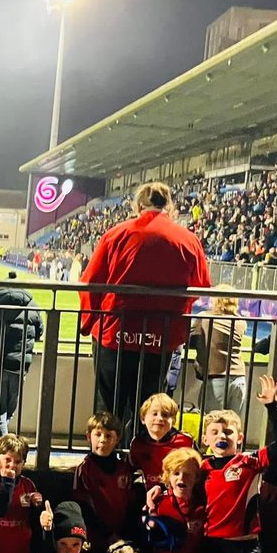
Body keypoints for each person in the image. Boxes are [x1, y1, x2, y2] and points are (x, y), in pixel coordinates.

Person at [79, 181, 211, 434]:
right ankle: (143, 461)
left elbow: (90, 283)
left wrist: (90, 323)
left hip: (115, 332)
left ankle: (106, 462)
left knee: (109, 406)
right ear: (170, 206)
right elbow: (201, 285)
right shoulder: (188, 240)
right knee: (150, 406)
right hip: (160, 337)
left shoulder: (117, 234)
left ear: (139, 205)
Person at [199, 375, 277, 553]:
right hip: (211, 544)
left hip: (244, 545)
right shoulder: (201, 468)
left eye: (228, 432)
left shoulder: (249, 463)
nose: (221, 436)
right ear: (205, 439)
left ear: (239, 437)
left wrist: (272, 408)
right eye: (215, 432)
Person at [0, 272, 43, 440]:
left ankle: (2, 448)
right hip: (20, 366)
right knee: (7, 411)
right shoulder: (32, 305)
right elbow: (39, 332)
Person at [71, 411, 137, 552]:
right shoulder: (85, 469)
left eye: (109, 436)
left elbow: (131, 504)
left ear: (117, 439)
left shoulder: (124, 470)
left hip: (122, 537)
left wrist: (124, 534)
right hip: (96, 539)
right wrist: (108, 534)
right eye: (98, 434)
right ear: (88, 437)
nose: (103, 440)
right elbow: (83, 506)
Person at [143, 447, 206, 553]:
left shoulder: (202, 507)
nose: (181, 478)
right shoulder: (157, 503)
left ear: (197, 477)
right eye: (176, 473)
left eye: (188, 474)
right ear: (167, 476)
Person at [190, 291, 248, 415]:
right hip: (239, 377)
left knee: (211, 422)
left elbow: (191, 340)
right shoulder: (241, 321)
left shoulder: (205, 317)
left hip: (216, 378)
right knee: (232, 424)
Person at [128, 393, 195, 489]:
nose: (159, 418)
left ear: (174, 421)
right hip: (149, 495)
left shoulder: (186, 441)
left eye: (165, 415)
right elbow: (131, 471)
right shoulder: (138, 443)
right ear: (143, 418)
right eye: (154, 414)